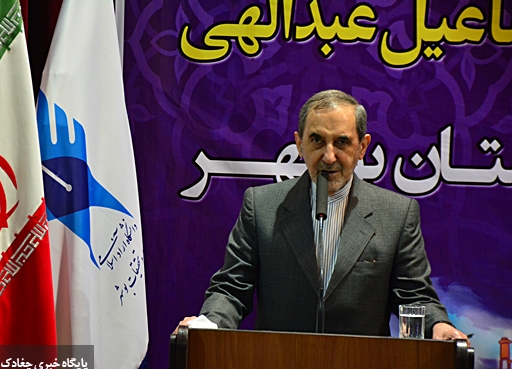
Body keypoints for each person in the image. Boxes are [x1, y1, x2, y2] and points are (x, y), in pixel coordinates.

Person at [178, 89, 467, 341]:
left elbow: (414, 297)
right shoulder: (261, 206)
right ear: (299, 145)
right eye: (317, 140)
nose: (329, 157)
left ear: (362, 147)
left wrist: (438, 325)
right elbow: (231, 288)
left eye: (342, 142)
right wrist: (210, 322)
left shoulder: (396, 214)